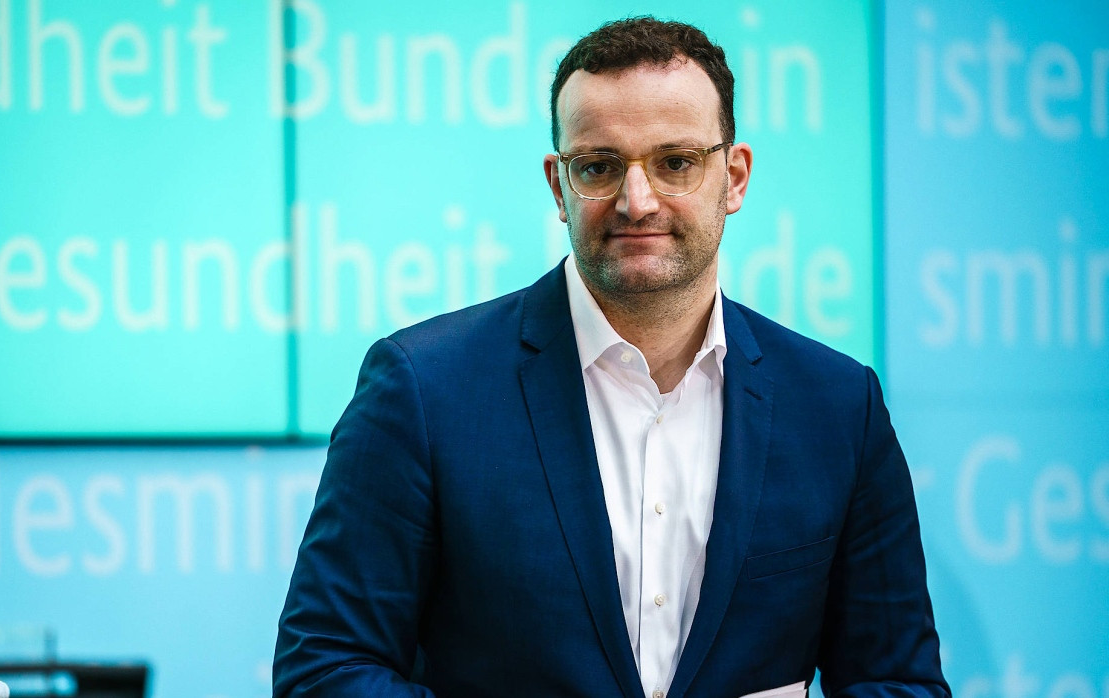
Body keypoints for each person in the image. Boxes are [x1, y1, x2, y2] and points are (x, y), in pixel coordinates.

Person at [274, 16, 948, 698]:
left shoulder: (837, 406)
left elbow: (900, 682)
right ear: (558, 187)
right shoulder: (422, 390)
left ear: (735, 177)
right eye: (598, 166)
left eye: (675, 163)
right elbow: (325, 668)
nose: (637, 199)